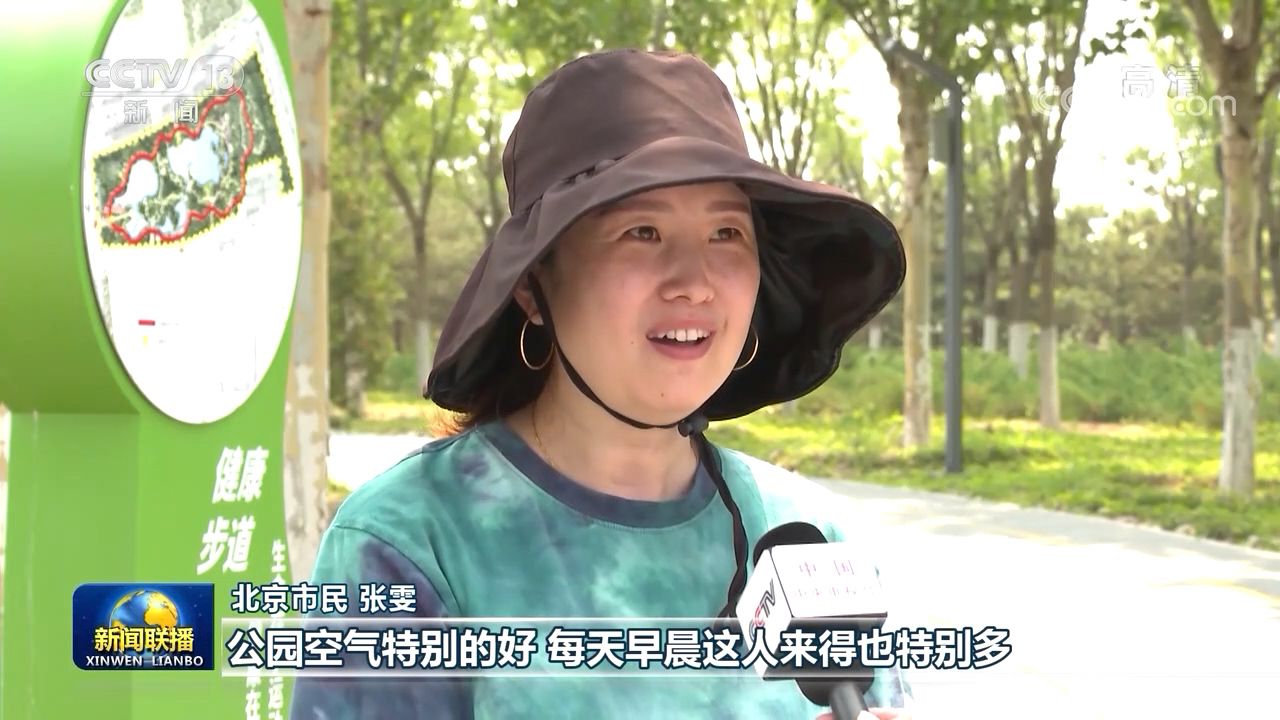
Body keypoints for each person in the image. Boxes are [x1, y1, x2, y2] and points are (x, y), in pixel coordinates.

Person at [290, 48, 913, 720]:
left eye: (726, 232)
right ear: (533, 287)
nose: (695, 282)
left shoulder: (810, 539)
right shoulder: (411, 540)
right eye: (642, 231)